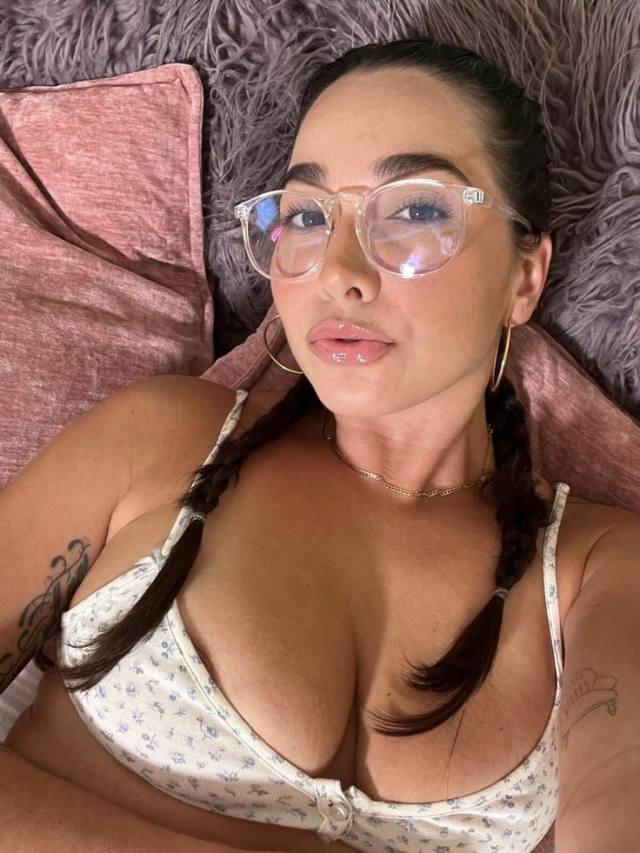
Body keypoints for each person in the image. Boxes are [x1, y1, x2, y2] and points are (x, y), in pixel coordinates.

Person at [1, 36, 638, 853]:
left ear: (525, 277)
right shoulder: (162, 443)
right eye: (307, 216)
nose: (339, 269)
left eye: (415, 210)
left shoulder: (599, 569)